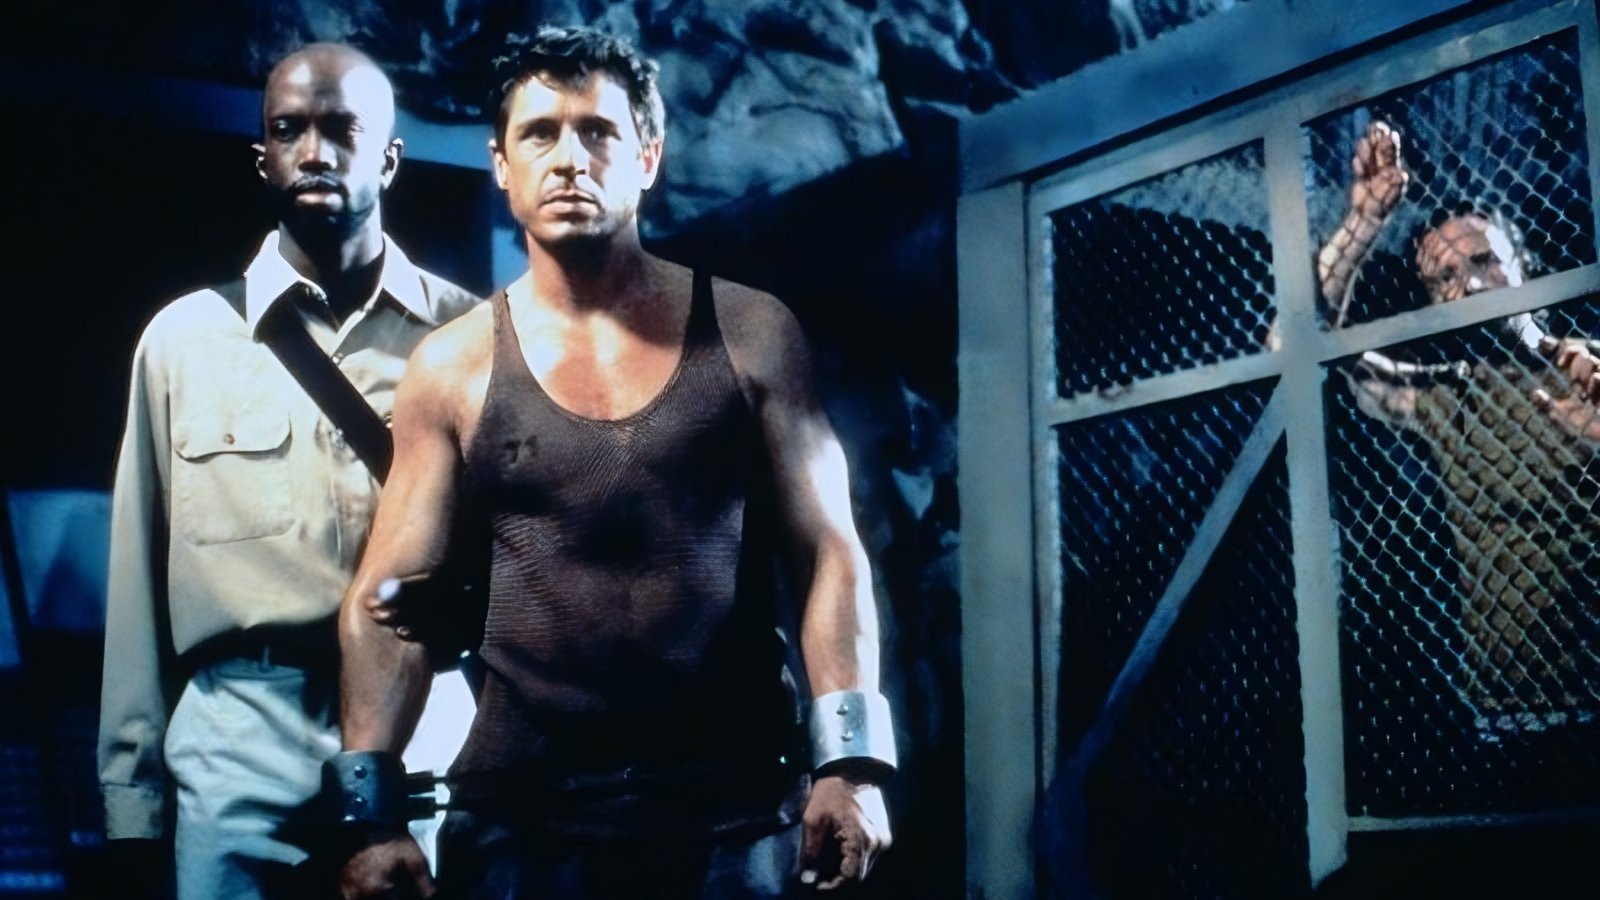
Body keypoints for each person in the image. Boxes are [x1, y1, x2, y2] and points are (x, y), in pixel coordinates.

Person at [329, 26, 896, 899]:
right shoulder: (452, 367)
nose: (569, 159)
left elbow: (827, 550)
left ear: (647, 157)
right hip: (525, 819)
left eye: (597, 132)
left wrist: (851, 764)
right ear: (500, 165)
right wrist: (371, 818)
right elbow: (384, 605)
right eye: (539, 133)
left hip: (733, 812)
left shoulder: (751, 333)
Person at [97, 43, 479, 898]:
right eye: (288, 130)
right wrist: (130, 803)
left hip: (423, 730)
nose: (314, 152)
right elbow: (135, 588)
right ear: (261, 158)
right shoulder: (182, 342)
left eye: (342, 129)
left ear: (389, 158)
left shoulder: (472, 337)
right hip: (240, 738)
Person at [1319, 120, 1600, 721]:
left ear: (1523, 262)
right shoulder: (1447, 396)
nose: (1469, 285)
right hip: (1503, 716)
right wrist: (1362, 223)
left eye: (1483, 260)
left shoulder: (1593, 367)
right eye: (1443, 277)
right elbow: (1299, 349)